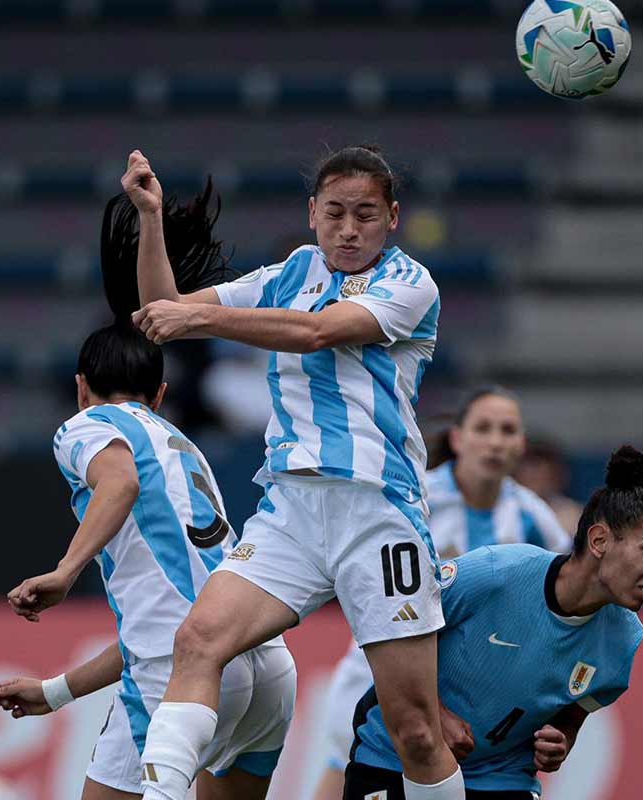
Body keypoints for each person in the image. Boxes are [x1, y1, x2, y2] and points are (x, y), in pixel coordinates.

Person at [123, 145, 465, 800]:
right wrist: (150, 218)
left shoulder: (410, 283)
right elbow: (161, 307)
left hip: (379, 512)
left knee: (416, 730)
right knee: (198, 639)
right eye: (334, 212)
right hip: (291, 510)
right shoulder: (290, 273)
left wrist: (198, 315)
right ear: (312, 214)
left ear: (392, 217)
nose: (348, 228)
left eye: (366, 213)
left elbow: (317, 333)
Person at [0, 186, 297, 800]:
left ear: (82, 388)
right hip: (265, 666)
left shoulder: (88, 428)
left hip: (188, 669)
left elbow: (119, 482)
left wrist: (64, 570)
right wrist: (54, 693)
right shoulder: (184, 449)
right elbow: (156, 624)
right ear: (159, 397)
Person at [345, 445, 643, 799]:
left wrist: (561, 738)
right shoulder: (497, 572)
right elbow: (393, 627)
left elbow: (573, 715)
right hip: (394, 755)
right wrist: (435, 716)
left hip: (501, 777)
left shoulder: (625, 639)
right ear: (599, 540)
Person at [313, 385, 571, 799]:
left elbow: (564, 594)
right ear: (457, 438)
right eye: (483, 428)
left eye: (507, 431)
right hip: (378, 675)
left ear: (520, 444)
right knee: (342, 769)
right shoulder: (413, 500)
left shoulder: (532, 517)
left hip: (470, 697)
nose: (495, 442)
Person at [514, 438, 584, 536]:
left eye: (541, 467)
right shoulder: (503, 510)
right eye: (530, 465)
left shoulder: (574, 515)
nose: (536, 473)